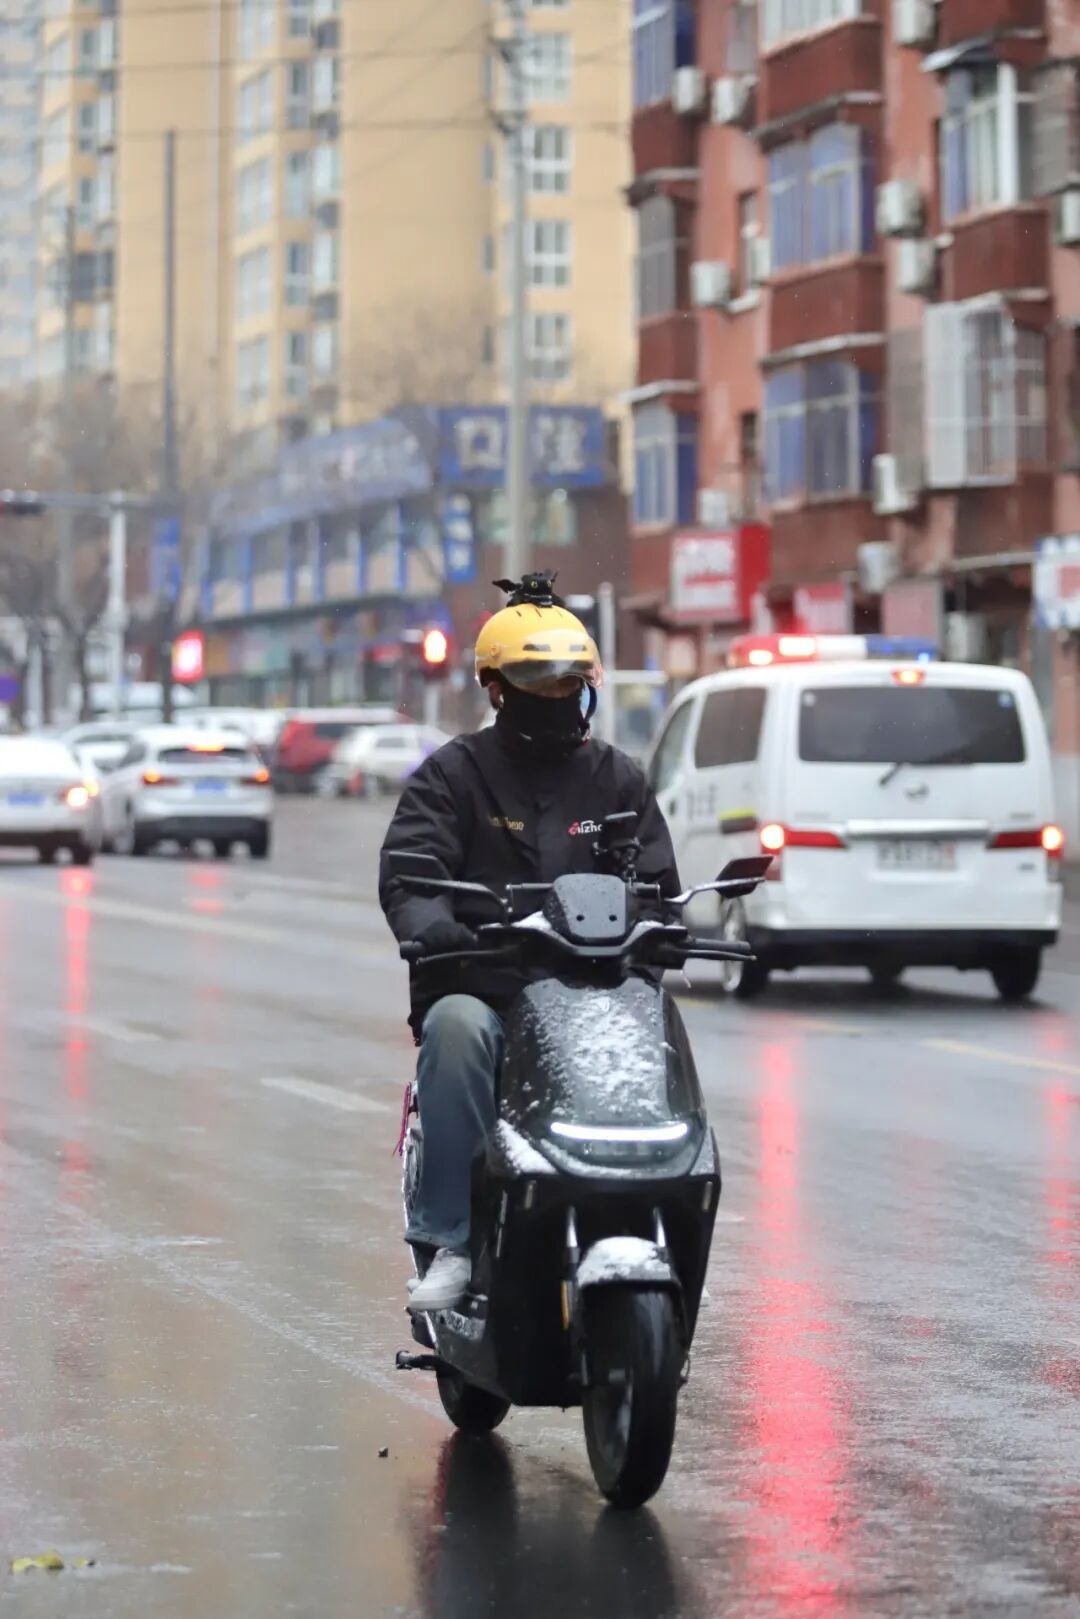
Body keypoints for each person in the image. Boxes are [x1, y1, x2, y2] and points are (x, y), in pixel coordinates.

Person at [379, 573, 680, 1313]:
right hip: (486, 987)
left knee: (661, 1029)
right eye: (537, 682)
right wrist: (432, 923)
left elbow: (658, 884)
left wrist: (667, 927)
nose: (555, 696)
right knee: (455, 1028)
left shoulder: (618, 779)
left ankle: (656, 1210)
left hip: (595, 994)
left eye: (568, 682)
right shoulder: (452, 775)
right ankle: (452, 1240)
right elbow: (410, 873)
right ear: (497, 689)